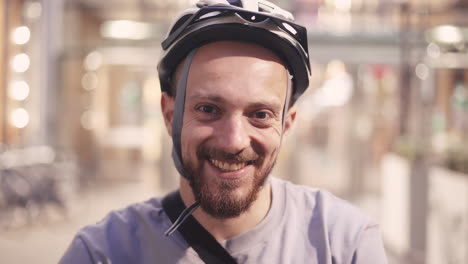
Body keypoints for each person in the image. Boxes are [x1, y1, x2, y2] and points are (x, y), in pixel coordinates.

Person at [60, 0, 387, 263]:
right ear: (169, 114)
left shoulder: (344, 244)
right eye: (208, 109)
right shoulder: (104, 252)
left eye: (260, 115)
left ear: (287, 125)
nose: (233, 141)